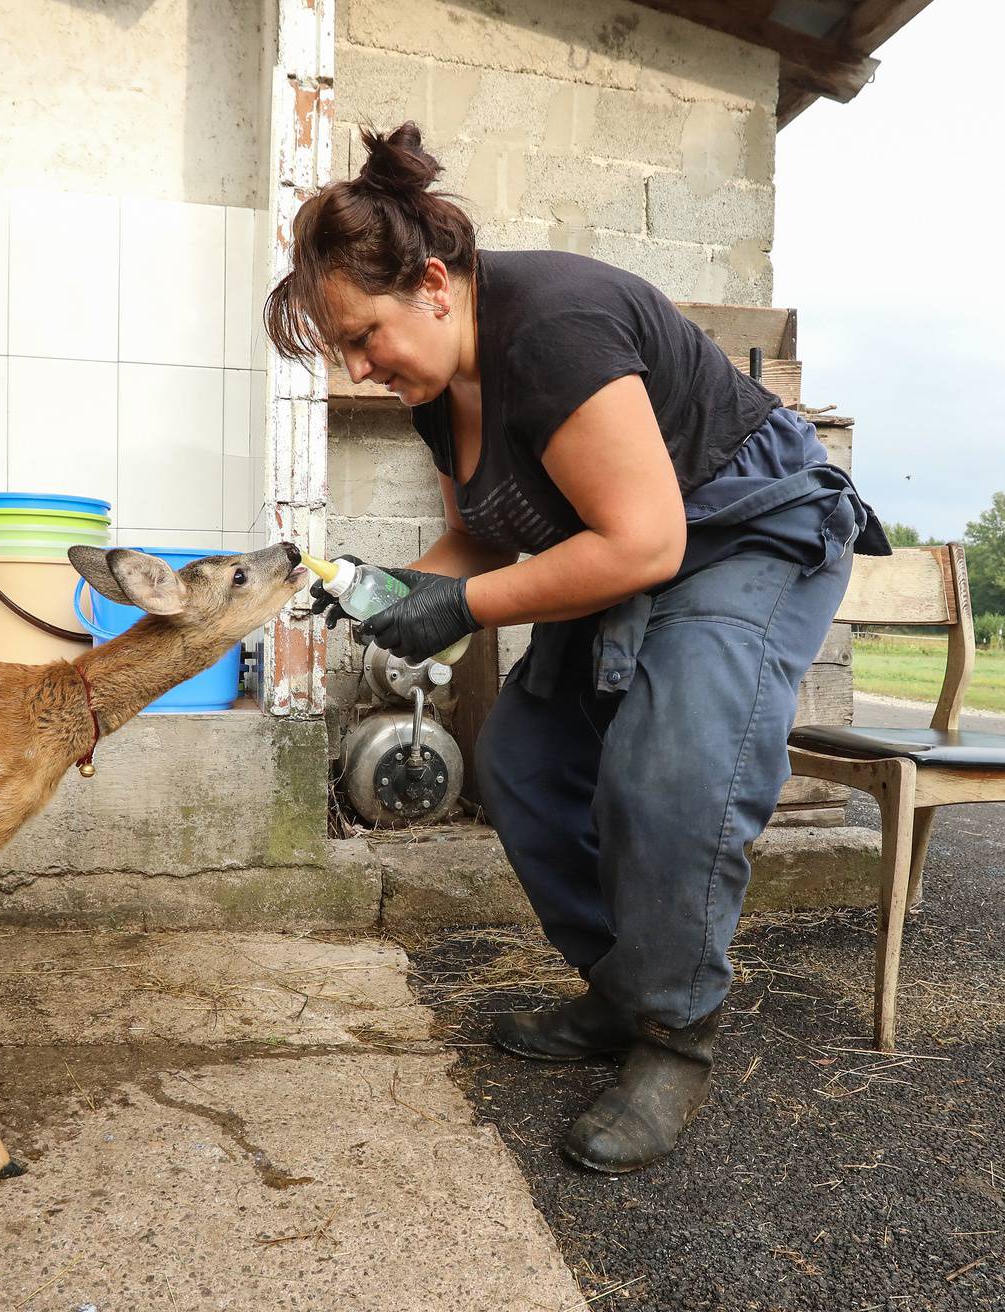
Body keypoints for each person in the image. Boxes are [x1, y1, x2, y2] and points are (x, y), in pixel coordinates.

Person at [265, 123, 888, 1174]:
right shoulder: (437, 394)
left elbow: (648, 538)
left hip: (741, 528)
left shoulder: (550, 326)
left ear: (429, 282)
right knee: (523, 761)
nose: (363, 369)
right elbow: (485, 531)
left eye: (364, 336)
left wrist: (459, 613)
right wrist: (400, 590)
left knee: (671, 766)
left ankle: (674, 1037)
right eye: (345, 355)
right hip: (630, 544)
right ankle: (622, 986)